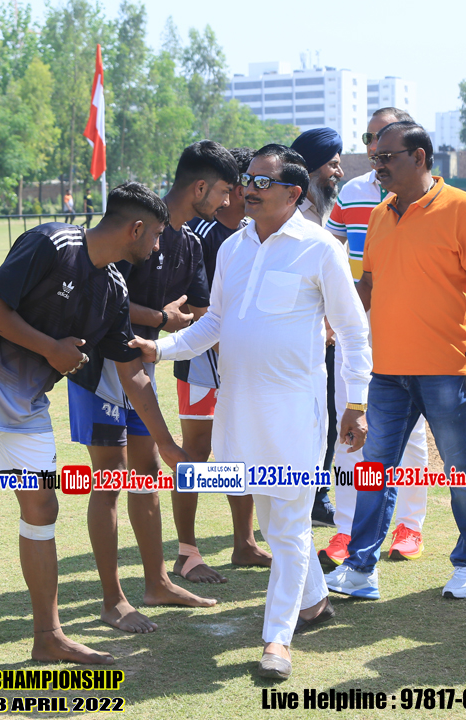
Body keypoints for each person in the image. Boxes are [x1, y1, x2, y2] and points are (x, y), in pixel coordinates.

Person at [0, 182, 189, 672]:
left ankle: (49, 637)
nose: (158, 245)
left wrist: (167, 445)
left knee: (42, 508)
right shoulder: (51, 242)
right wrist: (50, 349)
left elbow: (132, 372)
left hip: (30, 406)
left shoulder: (114, 288)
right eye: (157, 235)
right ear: (136, 229)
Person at [133, 144, 372, 680]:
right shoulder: (231, 248)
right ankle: (314, 602)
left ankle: (277, 639)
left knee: (286, 526)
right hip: (239, 409)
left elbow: (354, 333)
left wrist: (356, 403)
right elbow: (215, 322)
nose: (248, 188)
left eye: (262, 181)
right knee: (274, 521)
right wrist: (160, 349)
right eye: (247, 179)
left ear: (294, 193)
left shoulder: (320, 249)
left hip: (295, 414)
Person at [326, 121, 466, 600]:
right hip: (385, 372)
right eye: (374, 158)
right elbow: (368, 285)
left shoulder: (464, 208)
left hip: (446, 368)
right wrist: (331, 322)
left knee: (461, 470)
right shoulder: (379, 215)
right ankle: (360, 569)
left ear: (419, 157)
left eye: (387, 157)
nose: (377, 166)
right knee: (374, 471)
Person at [66, 142, 232, 634]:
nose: (227, 202)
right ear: (199, 187)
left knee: (148, 472)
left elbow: (200, 313)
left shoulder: (191, 243)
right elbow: (108, 299)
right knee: (109, 479)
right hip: (100, 368)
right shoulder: (134, 230)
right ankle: (112, 600)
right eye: (223, 191)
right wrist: (161, 318)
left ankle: (157, 582)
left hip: (142, 371)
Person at [319, 108, 430, 567]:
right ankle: (346, 528)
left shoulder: (430, 196)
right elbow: (331, 251)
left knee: (411, 434)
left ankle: (409, 526)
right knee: (350, 428)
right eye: (368, 138)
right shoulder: (351, 194)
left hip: (408, 330)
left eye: (382, 138)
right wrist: (332, 314)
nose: (373, 147)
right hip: (355, 329)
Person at [174, 147, 272, 575]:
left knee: (243, 447)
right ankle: (186, 551)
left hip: (243, 359)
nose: (253, 190)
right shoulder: (197, 232)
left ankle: (244, 544)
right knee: (196, 450)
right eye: (248, 182)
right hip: (201, 360)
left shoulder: (256, 231)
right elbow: (191, 305)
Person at [291, 127, 345, 528]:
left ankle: (315, 497)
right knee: (303, 422)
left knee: (327, 419)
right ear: (310, 168)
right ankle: (303, 498)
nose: (338, 172)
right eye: (332, 164)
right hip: (296, 341)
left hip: (325, 339)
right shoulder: (290, 217)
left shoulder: (325, 211)